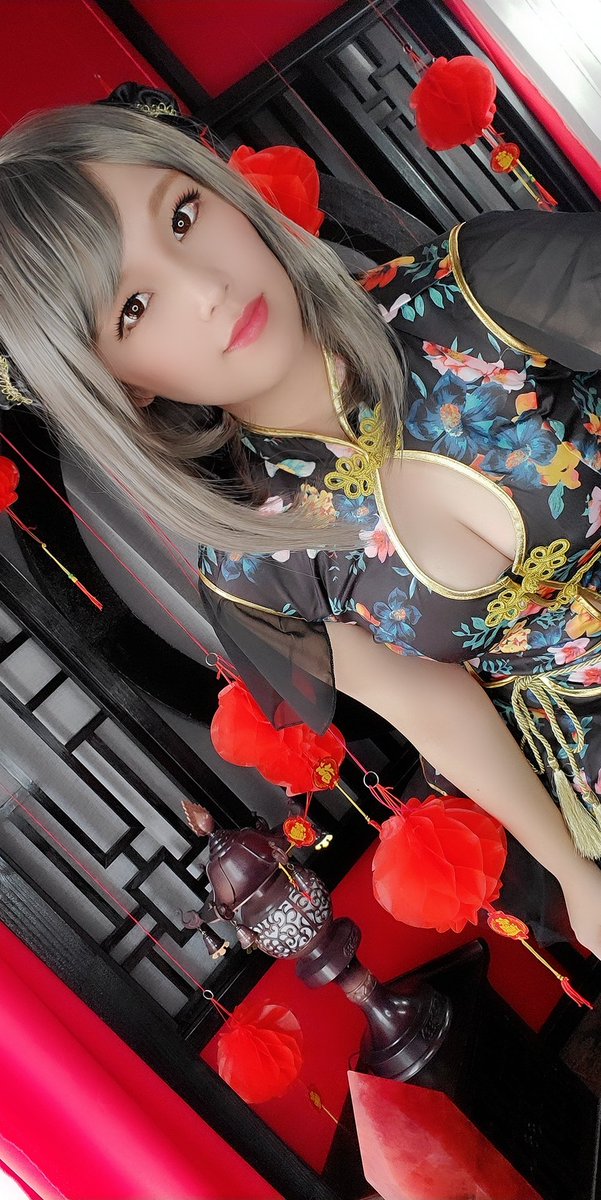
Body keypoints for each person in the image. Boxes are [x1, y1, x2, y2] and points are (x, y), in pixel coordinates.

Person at [2, 85, 601, 957]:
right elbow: (436, 709)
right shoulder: (255, 569)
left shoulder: (476, 295)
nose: (205, 288)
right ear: (119, 384)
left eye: (182, 216)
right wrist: (574, 874)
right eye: (132, 308)